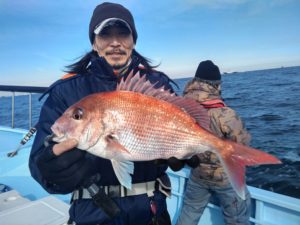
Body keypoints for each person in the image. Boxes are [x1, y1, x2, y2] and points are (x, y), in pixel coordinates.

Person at [29, 2, 178, 225]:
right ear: (94, 43)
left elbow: (183, 129)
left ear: (133, 40)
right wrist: (51, 169)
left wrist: (185, 155)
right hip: (93, 214)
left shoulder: (157, 83)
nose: (115, 42)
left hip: (151, 210)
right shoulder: (66, 91)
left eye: (123, 33)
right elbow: (40, 159)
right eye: (106, 34)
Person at [176, 60, 252, 225]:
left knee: (189, 213)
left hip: (197, 175)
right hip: (225, 178)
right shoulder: (226, 114)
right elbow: (243, 144)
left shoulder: (182, 108)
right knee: (237, 219)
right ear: (217, 85)